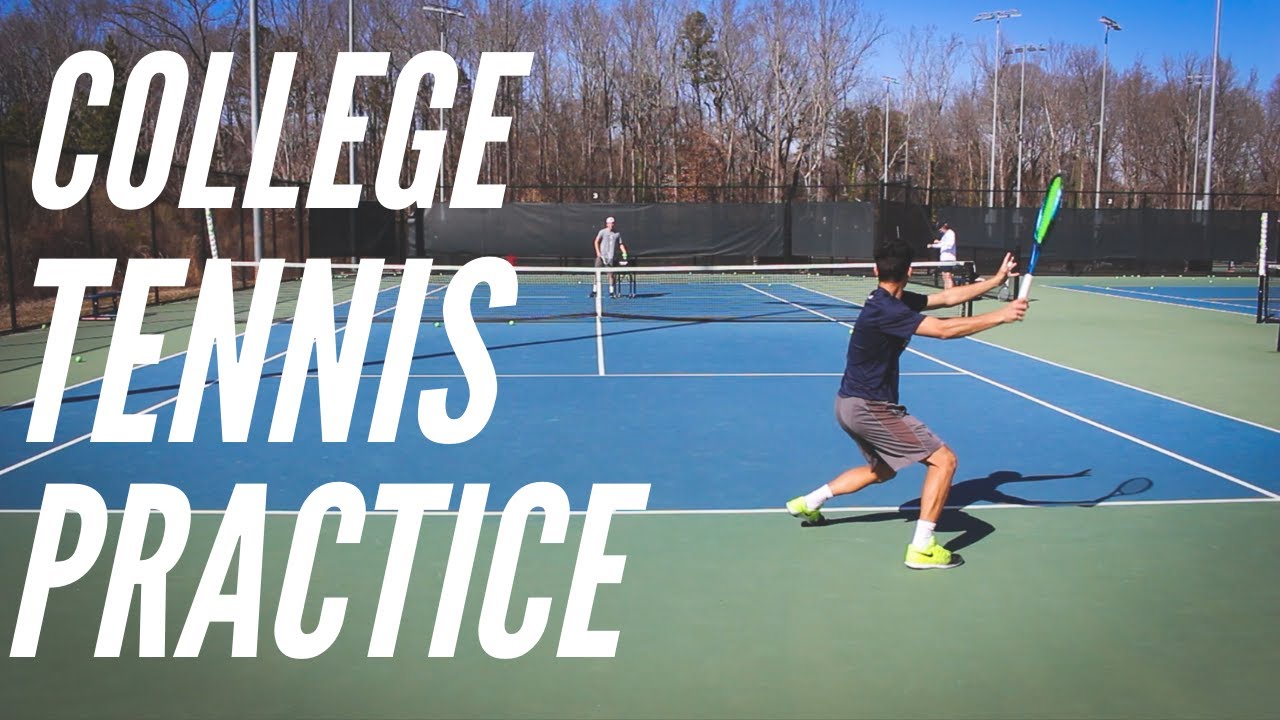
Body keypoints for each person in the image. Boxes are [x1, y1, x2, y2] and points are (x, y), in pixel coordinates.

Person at [785, 239, 1027, 570]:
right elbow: (942, 330)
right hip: (871, 407)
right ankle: (922, 548)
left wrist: (996, 281)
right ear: (910, 271)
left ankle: (809, 502)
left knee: (881, 471)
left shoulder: (887, 300)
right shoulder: (889, 311)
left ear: (875, 270)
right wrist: (1001, 315)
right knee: (944, 461)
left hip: (847, 404)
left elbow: (947, 297)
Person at [591, 216, 629, 299]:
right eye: (610, 223)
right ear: (607, 224)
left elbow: (620, 244)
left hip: (610, 258)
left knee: (611, 275)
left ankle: (611, 292)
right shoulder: (602, 232)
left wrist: (624, 252)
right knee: (596, 274)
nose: (611, 225)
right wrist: (598, 253)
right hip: (601, 257)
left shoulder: (617, 233)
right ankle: (594, 291)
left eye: (613, 223)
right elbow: (596, 241)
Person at [926, 221, 958, 289]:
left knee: (947, 276)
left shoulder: (950, 233)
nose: (939, 230)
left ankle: (949, 292)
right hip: (944, 259)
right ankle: (948, 291)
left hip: (948, 258)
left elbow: (949, 245)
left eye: (940, 228)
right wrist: (939, 242)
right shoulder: (945, 235)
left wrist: (933, 245)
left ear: (944, 226)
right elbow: (944, 243)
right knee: (944, 276)